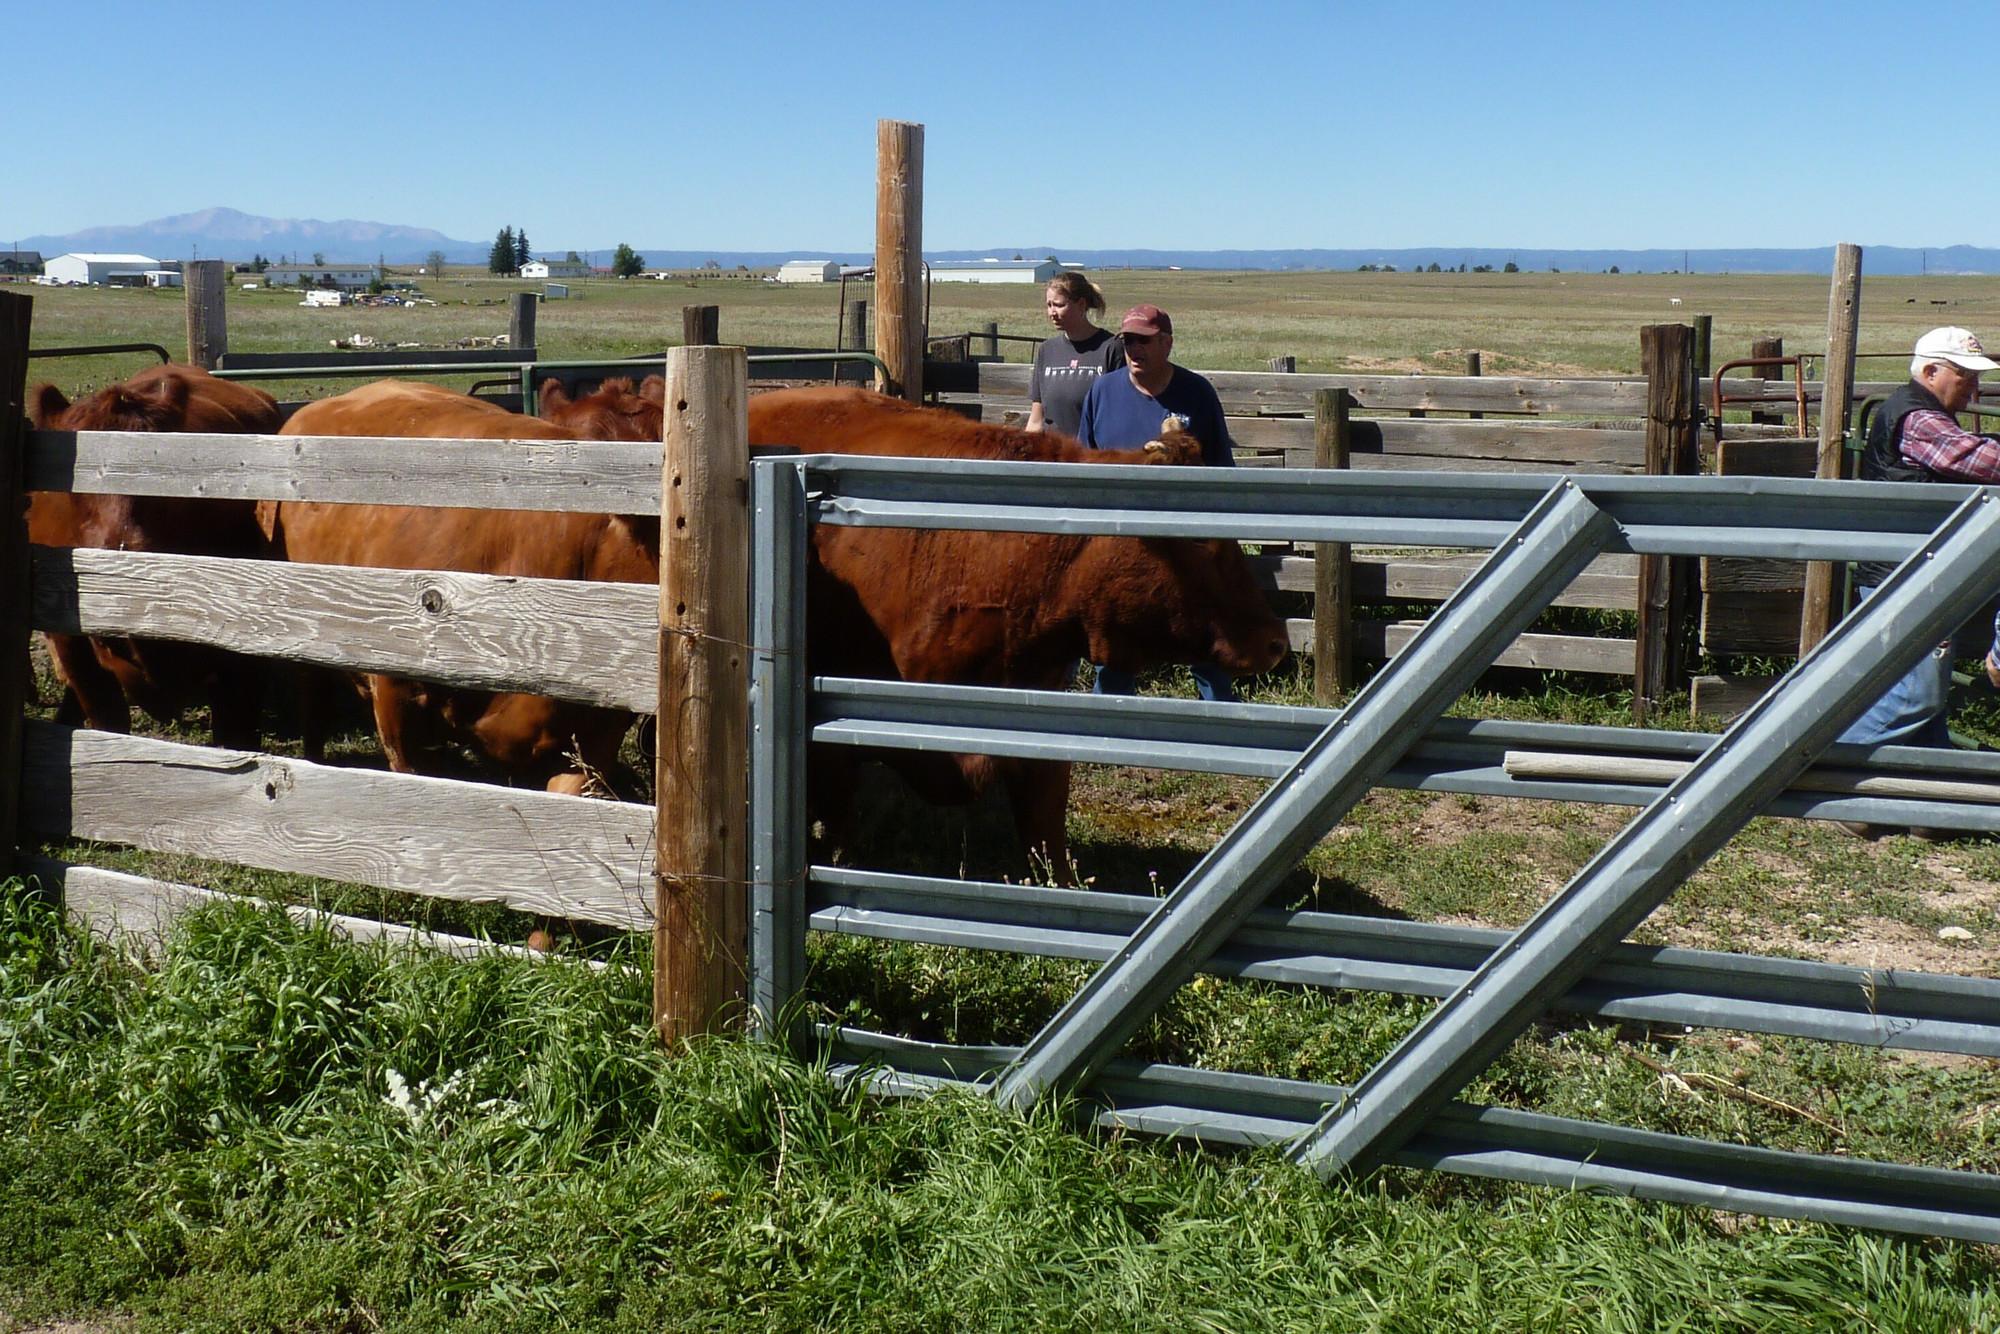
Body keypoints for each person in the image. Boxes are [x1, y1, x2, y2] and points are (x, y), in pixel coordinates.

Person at [1835, 327, 2000, 836]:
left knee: (1925, 696)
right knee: (1916, 694)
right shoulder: (1917, 418)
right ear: (1930, 371)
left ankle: (1928, 809)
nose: (1973, 389)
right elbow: (1974, 460)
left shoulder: (1916, 413)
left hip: (1914, 568)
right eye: (1965, 376)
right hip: (1904, 573)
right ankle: (1829, 773)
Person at [1076, 303, 1245, 701]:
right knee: (1116, 628)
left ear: (1166, 343)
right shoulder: (1102, 391)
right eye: (1128, 341)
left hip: (1184, 534)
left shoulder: (1196, 392)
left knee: (1202, 626)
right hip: (1121, 536)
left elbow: (1220, 464)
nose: (1135, 349)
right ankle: (1113, 717)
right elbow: (1086, 460)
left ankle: (1222, 717)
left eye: (1144, 341)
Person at [1026, 272, 1124, 438]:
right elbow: (1036, 419)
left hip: (1094, 456)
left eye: (1058, 305)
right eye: (1049, 305)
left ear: (1081, 304)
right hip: (1054, 455)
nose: (1052, 312)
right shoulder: (1047, 350)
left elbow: (1121, 412)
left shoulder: (1111, 348)